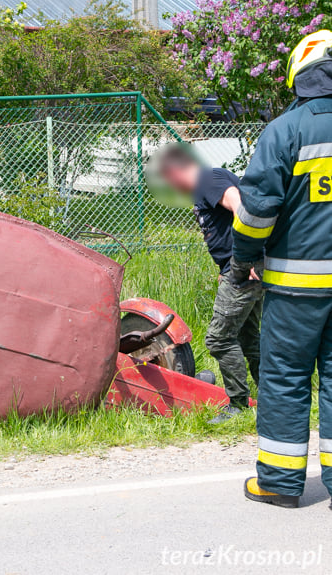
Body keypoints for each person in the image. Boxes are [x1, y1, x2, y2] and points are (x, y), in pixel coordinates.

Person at [232, 29, 332, 509]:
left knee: (285, 378)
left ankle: (279, 482)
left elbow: (257, 211)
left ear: (300, 75)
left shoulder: (285, 131)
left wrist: (243, 259)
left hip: (296, 291)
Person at [149, 144, 263, 424]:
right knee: (248, 338)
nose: (172, 186)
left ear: (175, 171)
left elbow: (240, 205)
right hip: (241, 268)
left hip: (245, 269)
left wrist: (244, 259)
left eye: (169, 179)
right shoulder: (206, 184)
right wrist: (227, 267)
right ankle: (273, 399)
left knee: (218, 339)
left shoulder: (207, 180)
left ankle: (237, 404)